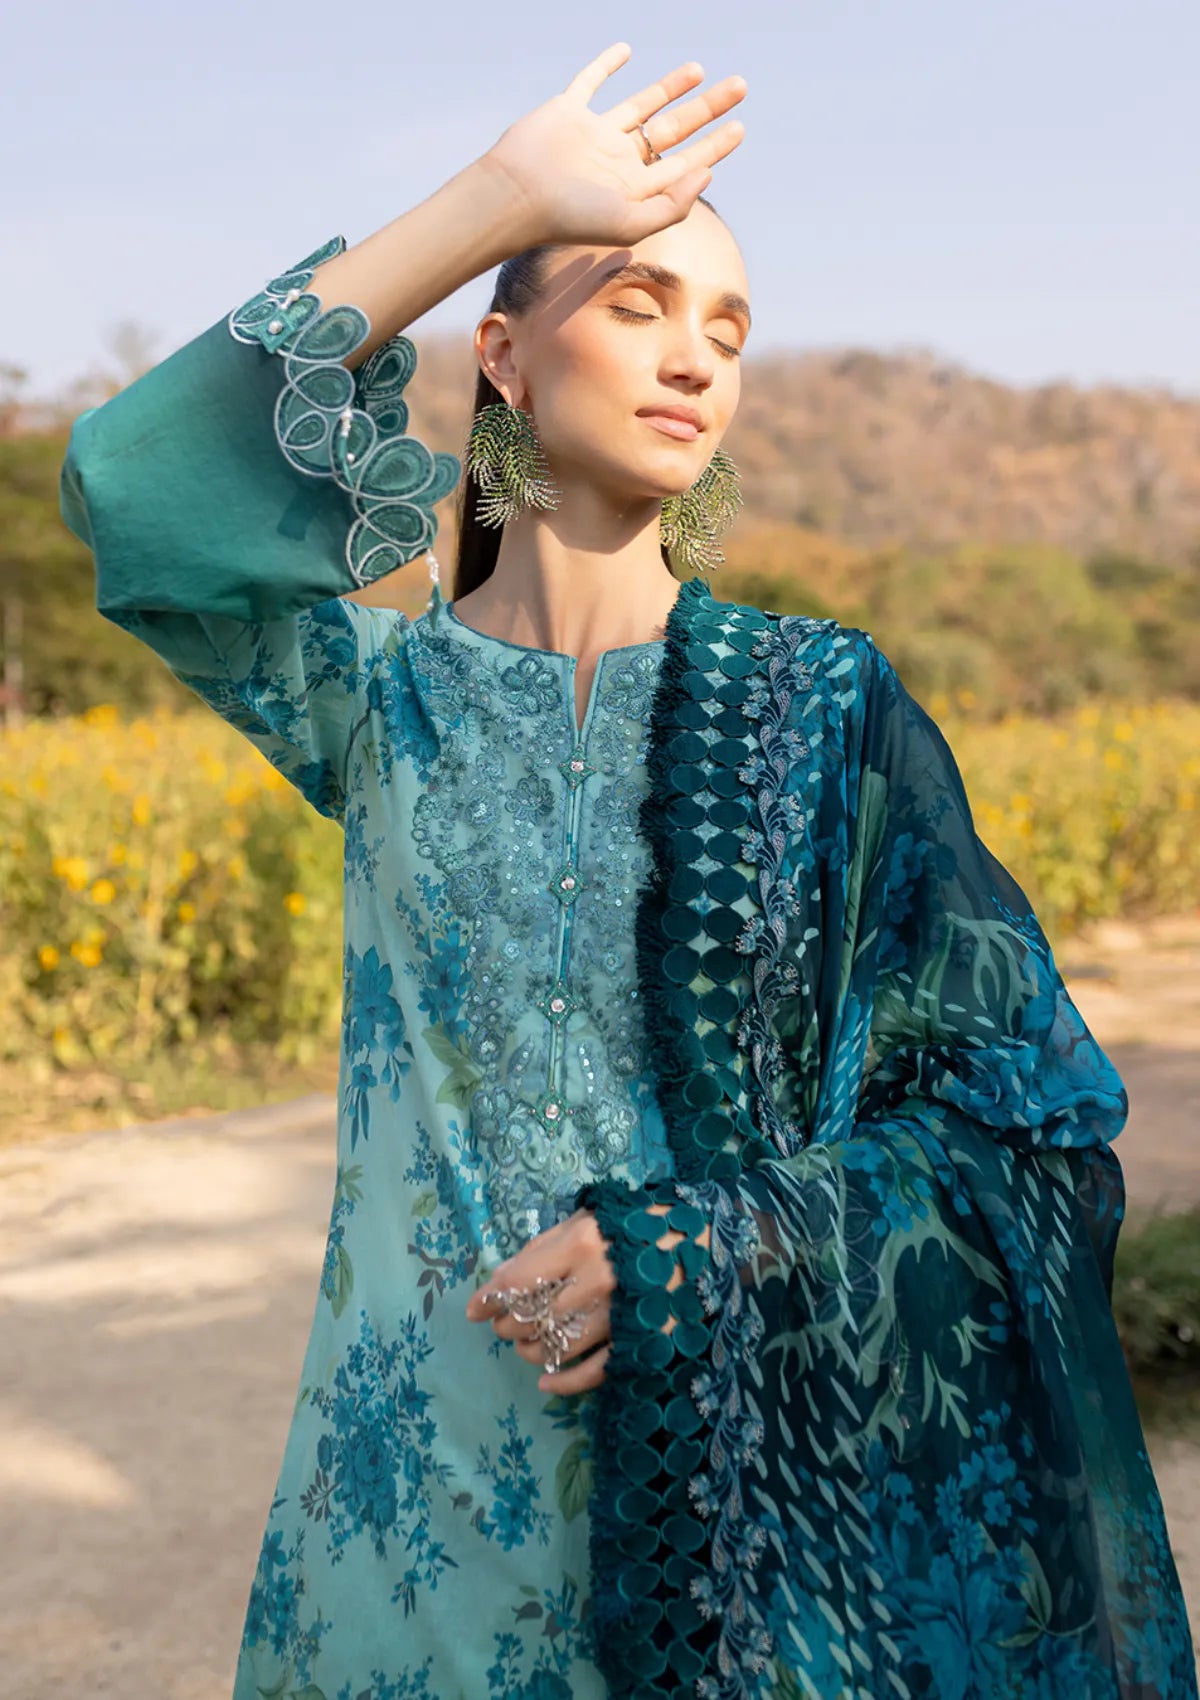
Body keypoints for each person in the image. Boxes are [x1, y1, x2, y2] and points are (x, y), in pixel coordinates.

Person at [58, 40, 1196, 1700]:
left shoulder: (823, 704)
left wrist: (711, 1246)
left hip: (742, 1522)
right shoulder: (380, 706)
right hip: (405, 1527)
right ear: (504, 359)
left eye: (730, 329)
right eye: (640, 301)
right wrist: (498, 201)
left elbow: (1022, 1118)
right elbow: (135, 488)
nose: (695, 357)